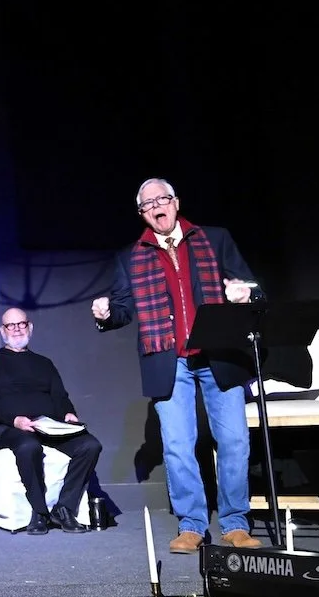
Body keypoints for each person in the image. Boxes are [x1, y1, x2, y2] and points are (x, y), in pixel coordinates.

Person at [91, 177, 264, 553]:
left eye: (162, 198)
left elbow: (254, 287)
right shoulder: (130, 255)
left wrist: (244, 292)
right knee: (178, 446)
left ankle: (235, 522)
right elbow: (121, 310)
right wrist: (105, 313)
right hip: (169, 360)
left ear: (176, 202)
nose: (157, 206)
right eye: (147, 204)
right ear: (142, 213)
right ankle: (192, 524)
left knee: (234, 439)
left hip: (219, 352)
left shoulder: (214, 239)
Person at [0, 308, 102, 535]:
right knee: (28, 446)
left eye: (21, 324)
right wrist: (15, 420)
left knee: (90, 445)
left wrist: (68, 413)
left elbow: (60, 396)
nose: (16, 329)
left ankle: (64, 508)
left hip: (48, 425)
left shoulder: (44, 363)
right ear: (2, 330)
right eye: (10, 325)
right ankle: (39, 512)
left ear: (30, 327)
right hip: (12, 426)